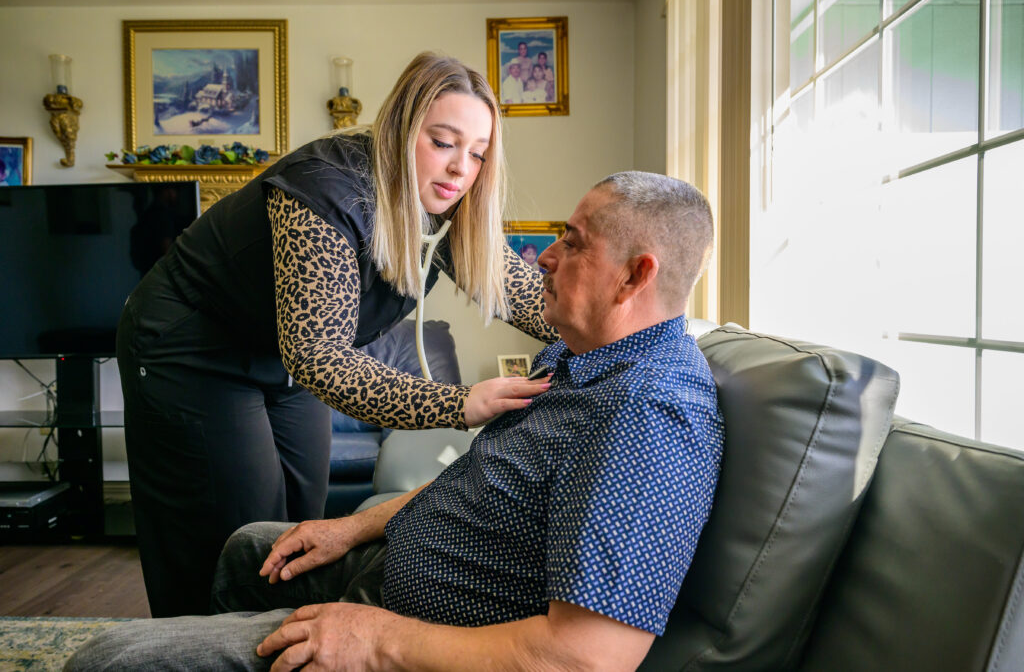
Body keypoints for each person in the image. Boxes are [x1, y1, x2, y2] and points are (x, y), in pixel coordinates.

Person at [66, 171, 725, 671]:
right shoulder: (580, 360)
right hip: (396, 576)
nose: (543, 256)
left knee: (107, 657)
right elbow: (480, 478)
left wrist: (374, 637)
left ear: (635, 276)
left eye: (572, 242)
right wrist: (352, 524)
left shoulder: (650, 414)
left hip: (417, 634)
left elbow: (586, 656)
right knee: (252, 548)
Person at [117, 52, 558, 618]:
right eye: (443, 142)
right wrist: (459, 404)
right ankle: (191, 650)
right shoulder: (326, 190)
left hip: (280, 353)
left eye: (477, 153)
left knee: (299, 528)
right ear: (400, 130)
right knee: (232, 535)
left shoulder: (446, 206)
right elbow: (319, 357)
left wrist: (626, 322)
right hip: (192, 346)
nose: (459, 170)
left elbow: (523, 294)